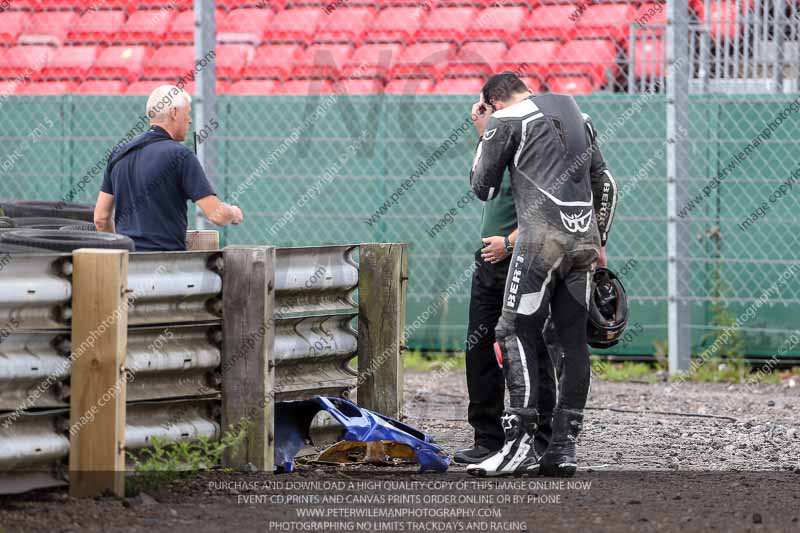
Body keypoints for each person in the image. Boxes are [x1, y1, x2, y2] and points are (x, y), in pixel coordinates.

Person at [466, 72, 618, 477]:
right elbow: (606, 184)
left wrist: (486, 134)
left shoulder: (505, 120)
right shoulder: (578, 115)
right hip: (584, 239)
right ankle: (562, 450)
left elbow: (482, 186)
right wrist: (598, 241)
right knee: (571, 344)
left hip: (540, 241)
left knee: (512, 331)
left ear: (494, 101)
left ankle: (518, 446)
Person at [453, 158, 558, 465]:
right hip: (489, 260)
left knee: (530, 349)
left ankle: (541, 439)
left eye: (491, 105)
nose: (481, 110)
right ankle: (487, 438)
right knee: (479, 349)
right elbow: (483, 188)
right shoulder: (494, 139)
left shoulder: (531, 139)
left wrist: (510, 244)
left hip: (524, 258)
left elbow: (546, 208)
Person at [94, 85, 243, 251]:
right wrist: (233, 213)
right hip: (167, 265)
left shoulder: (118, 153)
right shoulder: (181, 155)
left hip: (126, 266)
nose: (190, 120)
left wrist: (119, 254)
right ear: (174, 112)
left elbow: (101, 218)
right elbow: (218, 214)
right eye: (187, 112)